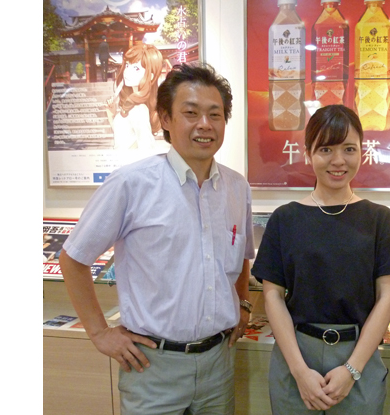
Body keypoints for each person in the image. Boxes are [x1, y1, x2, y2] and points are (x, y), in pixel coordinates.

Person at [59, 62, 256, 415]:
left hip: (219, 362)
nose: (205, 124)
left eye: (215, 114)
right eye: (191, 113)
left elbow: (240, 255)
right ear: (165, 118)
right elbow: (73, 259)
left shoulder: (237, 187)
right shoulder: (131, 184)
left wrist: (242, 304)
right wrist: (100, 333)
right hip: (152, 366)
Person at [251, 104, 390, 415]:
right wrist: (300, 372)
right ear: (308, 153)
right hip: (296, 355)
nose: (338, 160)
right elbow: (273, 297)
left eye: (349, 149)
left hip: (359, 355)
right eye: (326, 149)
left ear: (362, 152)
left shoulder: (381, 220)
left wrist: (352, 369)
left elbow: (387, 299)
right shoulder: (285, 219)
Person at [107, 42, 166, 152]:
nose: (127, 71)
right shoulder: (132, 105)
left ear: (150, 75)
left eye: (136, 68)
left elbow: (147, 147)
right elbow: (122, 137)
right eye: (127, 65)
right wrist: (111, 114)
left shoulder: (140, 109)